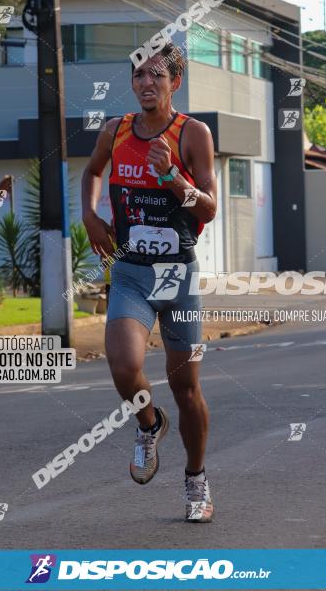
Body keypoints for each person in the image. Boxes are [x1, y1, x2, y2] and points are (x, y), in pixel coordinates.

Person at [81, 42, 217, 522]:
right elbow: (92, 171)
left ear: (174, 83)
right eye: (138, 76)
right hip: (132, 272)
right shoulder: (115, 131)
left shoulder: (193, 134)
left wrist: (173, 177)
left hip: (178, 274)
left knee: (187, 389)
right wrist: (90, 216)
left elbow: (209, 208)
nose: (146, 84)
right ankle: (148, 423)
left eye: (156, 76)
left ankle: (196, 480)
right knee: (124, 366)